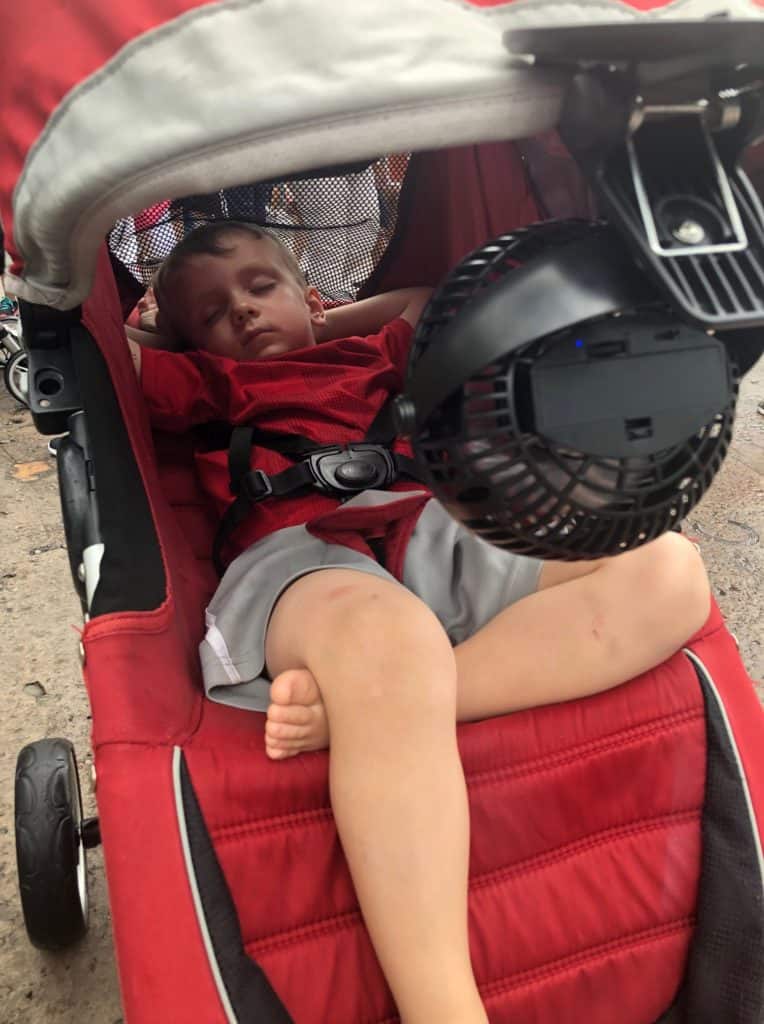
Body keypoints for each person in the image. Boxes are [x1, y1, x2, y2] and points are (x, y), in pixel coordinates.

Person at [126, 221, 711, 1024]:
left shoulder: (373, 353)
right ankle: (442, 1008)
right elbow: (117, 357)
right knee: (386, 641)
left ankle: (379, 705)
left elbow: (426, 301)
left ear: (316, 298)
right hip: (296, 559)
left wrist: (330, 320)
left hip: (430, 524)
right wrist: (162, 328)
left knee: (669, 568)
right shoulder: (204, 380)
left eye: (261, 288)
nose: (244, 315)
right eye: (213, 312)